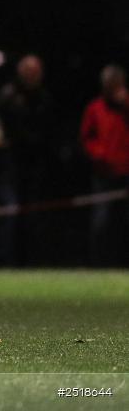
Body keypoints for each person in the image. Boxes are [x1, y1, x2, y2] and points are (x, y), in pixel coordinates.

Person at [0, 54, 55, 264]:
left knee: (33, 216)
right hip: (10, 165)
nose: (33, 76)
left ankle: (32, 261)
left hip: (35, 166)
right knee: (10, 213)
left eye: (36, 72)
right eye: (29, 71)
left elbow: (48, 131)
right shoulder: (7, 96)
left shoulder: (44, 98)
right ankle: (5, 261)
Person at [79, 64, 129, 266]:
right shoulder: (95, 108)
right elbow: (86, 138)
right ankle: (99, 264)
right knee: (102, 222)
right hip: (103, 175)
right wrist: (99, 155)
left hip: (126, 173)